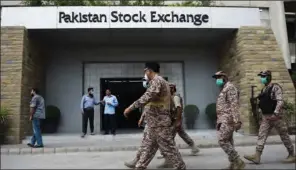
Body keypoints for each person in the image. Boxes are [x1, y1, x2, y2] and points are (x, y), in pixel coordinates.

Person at [123, 62, 186, 170]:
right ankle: (140, 166)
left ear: (149, 70)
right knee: (148, 147)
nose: (145, 74)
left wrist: (131, 108)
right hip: (154, 122)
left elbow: (147, 97)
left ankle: (180, 167)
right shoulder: (161, 82)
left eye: (145, 71)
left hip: (159, 122)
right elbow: (153, 102)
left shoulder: (157, 81)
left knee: (168, 148)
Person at [244, 70, 296, 164]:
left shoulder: (275, 87)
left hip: (276, 117)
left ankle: (292, 154)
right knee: (261, 135)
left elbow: (280, 101)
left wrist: (275, 114)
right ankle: (257, 156)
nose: (262, 78)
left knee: (284, 135)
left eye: (263, 76)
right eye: (261, 76)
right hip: (266, 116)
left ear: (268, 77)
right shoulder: (264, 89)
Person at [157, 83, 200, 168]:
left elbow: (179, 108)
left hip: (175, 121)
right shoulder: (169, 97)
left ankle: (169, 159)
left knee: (167, 139)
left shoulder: (175, 97)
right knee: (182, 134)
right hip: (174, 120)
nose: (168, 90)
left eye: (170, 88)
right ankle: (194, 147)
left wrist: (178, 121)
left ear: (173, 89)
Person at [212, 71, 245, 169]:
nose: (217, 79)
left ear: (224, 77)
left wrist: (237, 121)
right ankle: (233, 164)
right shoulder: (224, 89)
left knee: (222, 140)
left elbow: (234, 104)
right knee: (229, 141)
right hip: (223, 119)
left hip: (228, 119)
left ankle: (238, 161)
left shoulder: (230, 88)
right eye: (216, 78)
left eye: (219, 77)